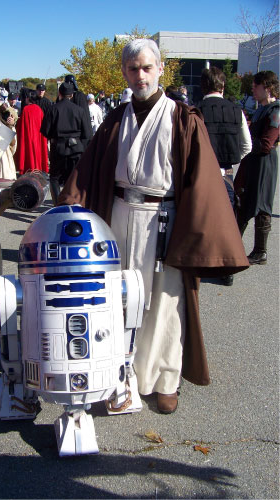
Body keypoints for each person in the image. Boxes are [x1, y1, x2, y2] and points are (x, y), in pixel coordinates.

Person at [58, 38, 249, 414]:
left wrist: (195, 235)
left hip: (164, 218)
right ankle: (118, 375)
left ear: (160, 69)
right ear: (126, 74)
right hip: (117, 216)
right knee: (117, 299)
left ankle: (164, 379)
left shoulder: (183, 118)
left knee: (165, 300)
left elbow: (202, 181)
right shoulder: (115, 118)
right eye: (133, 69)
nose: (140, 75)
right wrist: (67, 206)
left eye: (147, 67)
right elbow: (88, 167)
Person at [198, 66, 252, 286]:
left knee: (201, 221)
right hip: (226, 172)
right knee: (226, 223)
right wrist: (233, 159)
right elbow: (247, 145)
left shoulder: (196, 110)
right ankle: (226, 268)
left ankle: (199, 265)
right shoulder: (236, 111)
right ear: (222, 85)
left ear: (203, 86)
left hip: (201, 173)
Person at [234, 71, 280, 265]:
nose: (252, 88)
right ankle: (236, 248)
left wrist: (245, 140)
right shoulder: (263, 109)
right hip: (254, 162)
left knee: (259, 205)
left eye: (256, 85)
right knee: (245, 203)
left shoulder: (275, 110)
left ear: (267, 87)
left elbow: (266, 144)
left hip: (264, 162)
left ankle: (259, 251)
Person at [40, 81, 91, 205]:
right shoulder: (79, 110)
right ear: (72, 95)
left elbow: (45, 131)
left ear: (60, 93)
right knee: (73, 178)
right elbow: (87, 133)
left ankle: (57, 204)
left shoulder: (53, 109)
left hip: (59, 147)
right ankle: (72, 203)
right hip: (75, 148)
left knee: (54, 178)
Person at [14, 90, 48, 175]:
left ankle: (28, 168)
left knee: (28, 152)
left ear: (28, 98)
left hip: (28, 136)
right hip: (38, 136)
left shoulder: (26, 109)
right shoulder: (39, 109)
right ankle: (38, 168)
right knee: (38, 152)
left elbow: (21, 125)